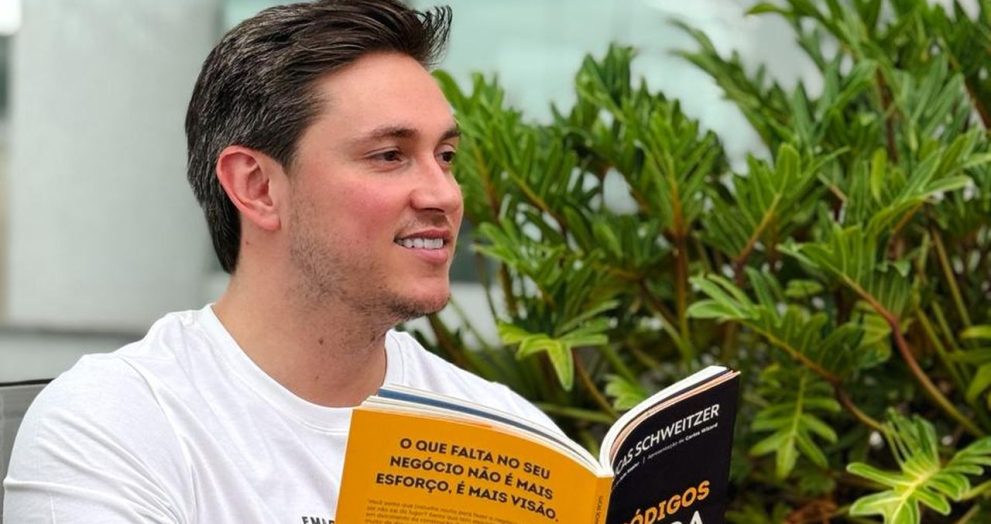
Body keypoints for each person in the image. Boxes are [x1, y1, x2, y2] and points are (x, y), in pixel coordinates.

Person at [2, 1, 556, 522]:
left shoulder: (510, 442)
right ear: (258, 186)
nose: (445, 195)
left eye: (446, 156)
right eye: (389, 155)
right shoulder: (116, 423)